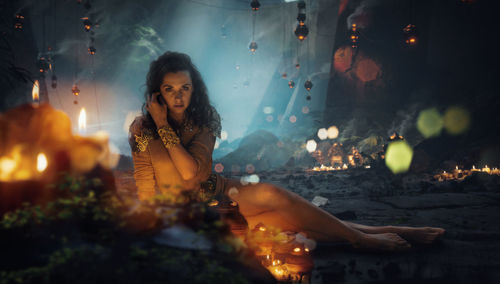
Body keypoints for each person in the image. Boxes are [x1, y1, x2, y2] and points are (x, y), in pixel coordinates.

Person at [129, 51, 445, 251]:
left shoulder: (205, 120)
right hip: (183, 211)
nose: (178, 96)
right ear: (157, 92)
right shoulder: (142, 130)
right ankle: (368, 237)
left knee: (276, 197)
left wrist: (165, 127)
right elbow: (155, 178)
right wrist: (154, 219)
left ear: (193, 88)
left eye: (184, 88)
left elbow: (195, 173)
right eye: (169, 90)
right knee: (284, 222)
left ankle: (387, 231)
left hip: (217, 194)